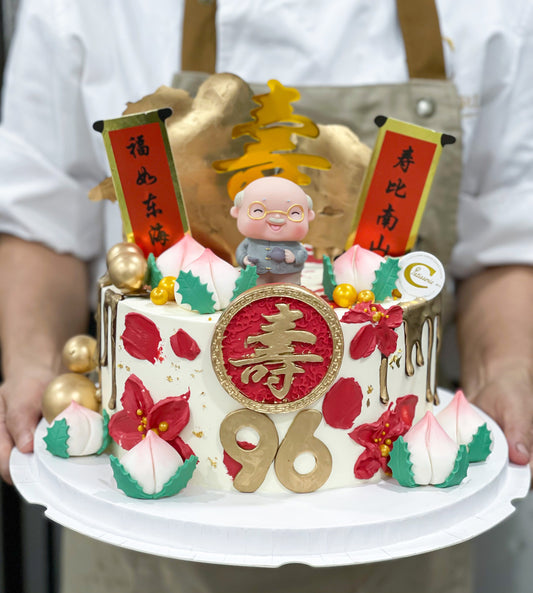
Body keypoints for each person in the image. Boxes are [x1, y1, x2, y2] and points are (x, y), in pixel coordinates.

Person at [1, 0, 532, 592]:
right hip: (140, 536)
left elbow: (509, 231)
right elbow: (38, 214)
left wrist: (506, 367)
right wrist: (33, 363)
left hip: (397, 526)